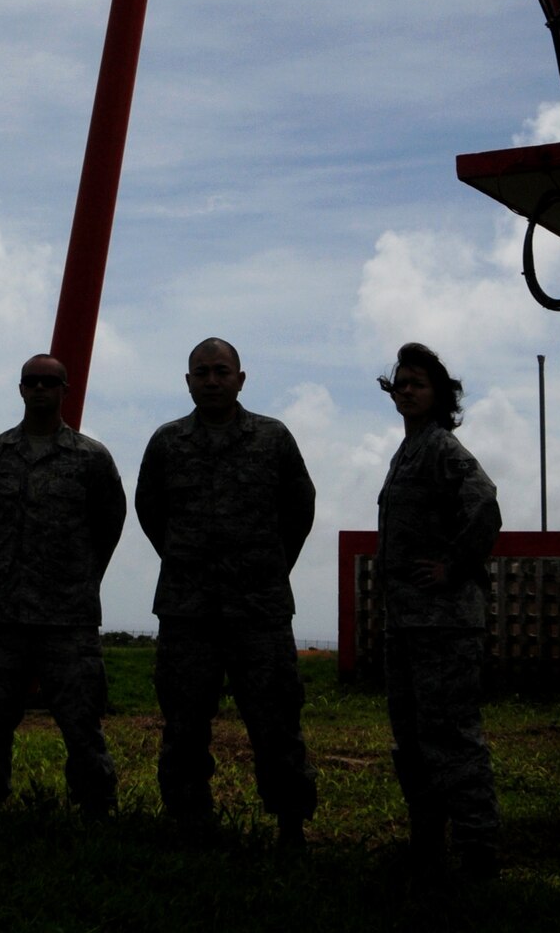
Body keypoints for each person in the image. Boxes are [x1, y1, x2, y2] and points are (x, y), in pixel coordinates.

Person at [135, 336, 317, 849]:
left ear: (241, 378)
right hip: (187, 611)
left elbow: (299, 509)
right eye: (201, 372)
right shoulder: (167, 442)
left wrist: (269, 569)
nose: (211, 380)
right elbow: (150, 511)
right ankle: (190, 820)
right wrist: (185, 560)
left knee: (276, 721)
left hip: (259, 611)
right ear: (187, 381)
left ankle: (290, 825)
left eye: (221, 371)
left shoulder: (273, 438)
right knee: (184, 723)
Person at [0, 353, 127, 814]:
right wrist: (4, 570)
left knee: (81, 722)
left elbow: (109, 525)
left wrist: (80, 578)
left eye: (49, 382)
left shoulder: (91, 459)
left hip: (68, 617)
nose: (39, 389)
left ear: (64, 391)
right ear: (20, 389)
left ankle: (96, 808)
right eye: (31, 381)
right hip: (3, 616)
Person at [376, 342, 502, 881]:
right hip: (406, 623)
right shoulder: (407, 450)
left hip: (445, 625)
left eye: (418, 383)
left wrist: (452, 566)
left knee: (451, 739)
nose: (407, 390)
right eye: (401, 382)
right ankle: (427, 844)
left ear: (438, 395)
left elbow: (485, 505)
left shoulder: (443, 448)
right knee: (411, 740)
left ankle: (478, 856)